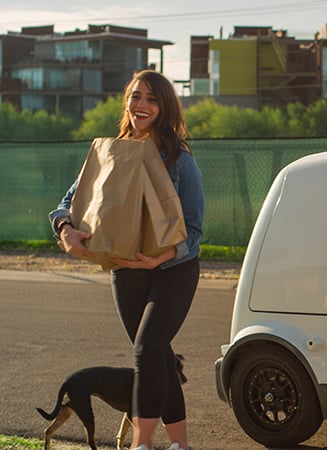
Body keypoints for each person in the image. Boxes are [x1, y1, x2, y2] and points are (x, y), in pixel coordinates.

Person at [49, 69, 203, 450]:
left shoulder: (179, 158)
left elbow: (195, 232)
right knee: (159, 356)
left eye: (151, 98)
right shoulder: (110, 152)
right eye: (136, 96)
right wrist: (65, 228)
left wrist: (158, 259)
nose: (141, 105)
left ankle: (142, 443)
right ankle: (181, 445)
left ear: (164, 107)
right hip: (124, 269)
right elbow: (66, 204)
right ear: (127, 102)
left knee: (147, 350)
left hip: (174, 270)